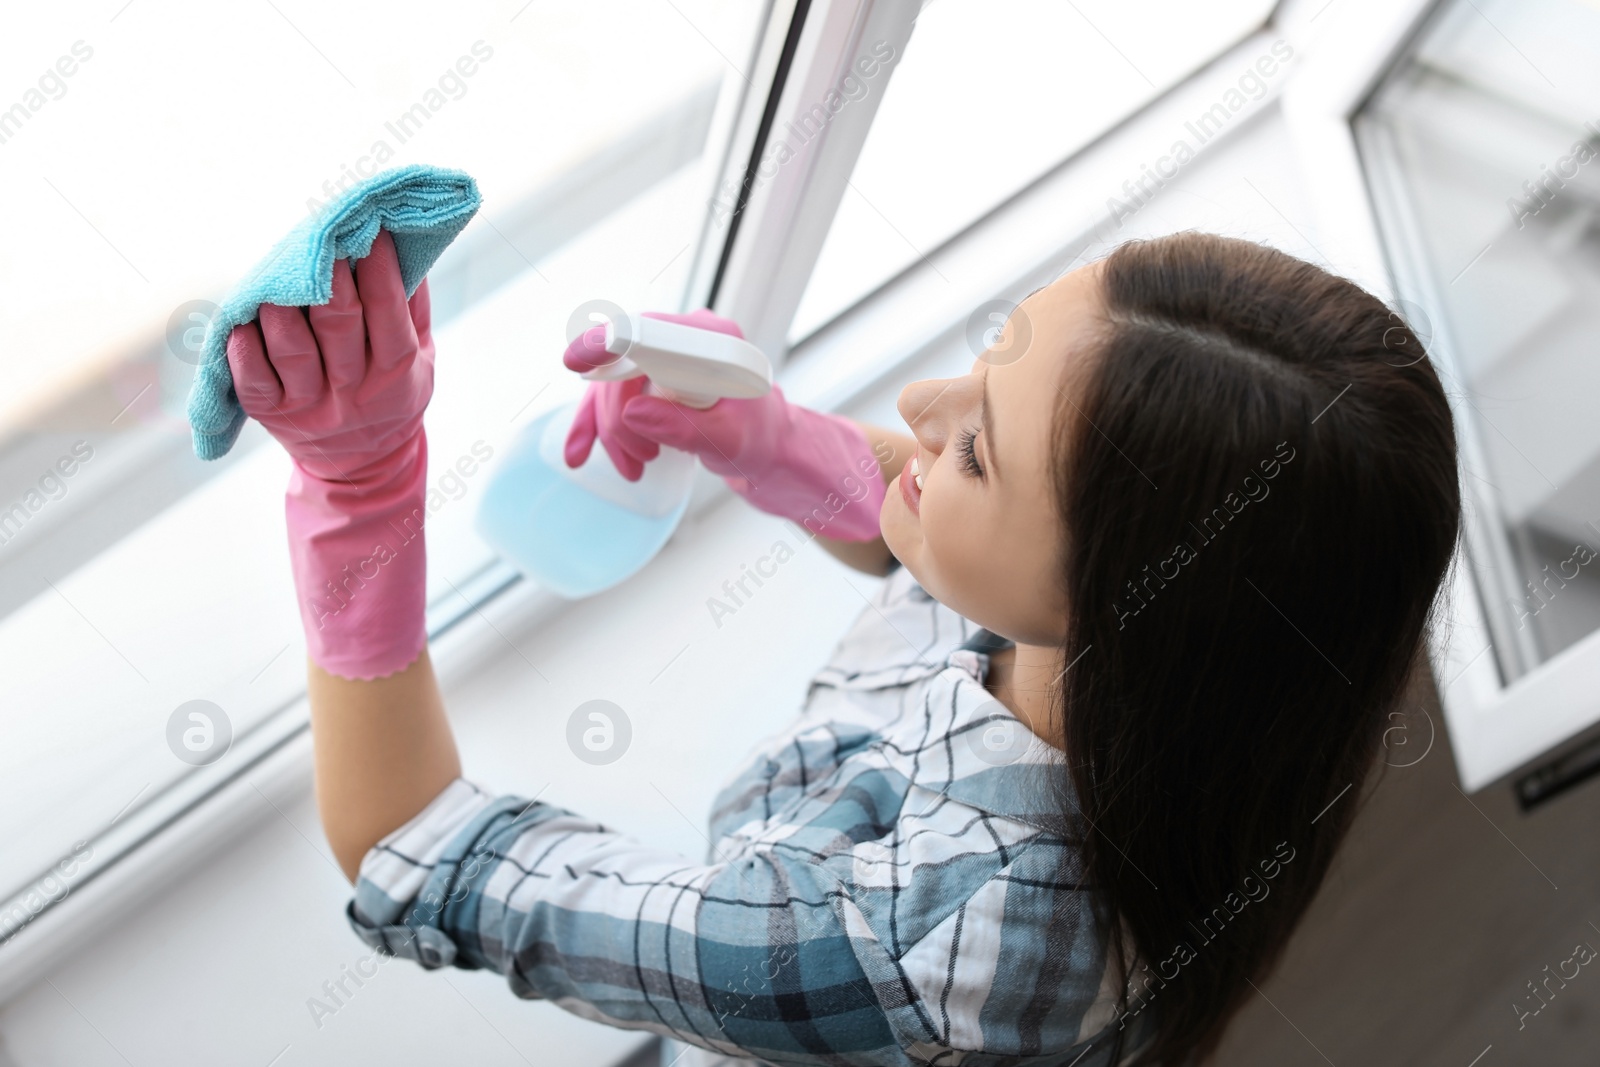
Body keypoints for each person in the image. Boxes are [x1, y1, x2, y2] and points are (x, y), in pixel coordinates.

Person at [226, 228, 1460, 1066]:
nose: (920, 411)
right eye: (988, 359)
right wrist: (772, 443)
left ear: (1119, 596)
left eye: (976, 447)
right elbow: (935, 560)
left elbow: (414, 840)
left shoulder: (934, 937)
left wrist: (363, 491)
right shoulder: (1206, 676)